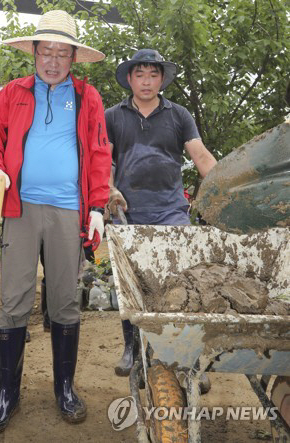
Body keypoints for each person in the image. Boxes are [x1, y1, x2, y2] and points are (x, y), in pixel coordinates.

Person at [0, 10, 111, 434]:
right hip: (19, 207)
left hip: (67, 210)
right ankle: (7, 393)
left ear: (73, 57)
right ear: (33, 53)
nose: (52, 60)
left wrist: (96, 206)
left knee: (64, 300)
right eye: (46, 51)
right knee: (14, 299)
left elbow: (98, 153)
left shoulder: (88, 97)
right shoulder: (11, 94)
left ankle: (65, 388)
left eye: (62, 53)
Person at [105, 49, 217, 380]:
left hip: (171, 210)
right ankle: (132, 348)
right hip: (128, 211)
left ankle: (186, 354)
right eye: (140, 75)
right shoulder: (113, 116)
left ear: (162, 79)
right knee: (130, 285)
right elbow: (106, 162)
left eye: (153, 75)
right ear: (130, 79)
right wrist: (109, 189)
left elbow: (201, 156)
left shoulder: (179, 115)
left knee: (180, 280)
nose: (147, 81)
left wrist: (226, 185)